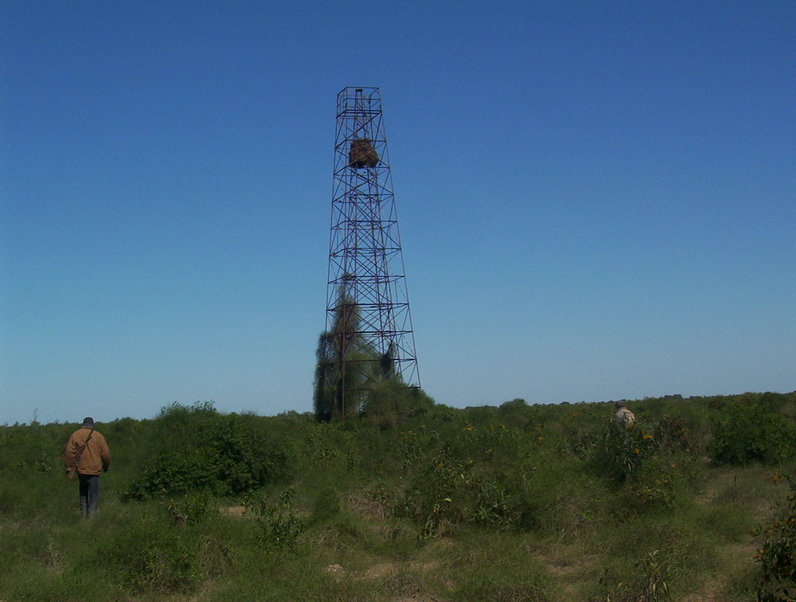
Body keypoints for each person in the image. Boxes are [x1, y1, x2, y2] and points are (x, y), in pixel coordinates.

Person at [64, 417, 110, 518]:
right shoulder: (98, 436)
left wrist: (68, 467)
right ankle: (92, 518)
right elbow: (106, 454)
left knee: (83, 493)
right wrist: (106, 466)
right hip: (95, 470)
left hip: (81, 470)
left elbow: (68, 452)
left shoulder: (75, 434)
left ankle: (83, 516)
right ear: (92, 425)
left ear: (83, 424)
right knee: (93, 495)